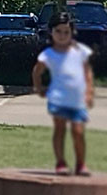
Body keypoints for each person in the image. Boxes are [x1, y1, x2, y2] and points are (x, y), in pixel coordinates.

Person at [31, 12, 93, 175]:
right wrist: (39, 88)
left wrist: (89, 92)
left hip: (77, 99)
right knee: (60, 130)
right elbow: (37, 72)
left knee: (78, 132)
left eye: (66, 32)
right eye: (58, 31)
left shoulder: (79, 51)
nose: (62, 35)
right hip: (58, 98)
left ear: (72, 32)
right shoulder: (48, 54)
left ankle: (81, 164)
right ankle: (60, 162)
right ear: (51, 32)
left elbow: (87, 72)